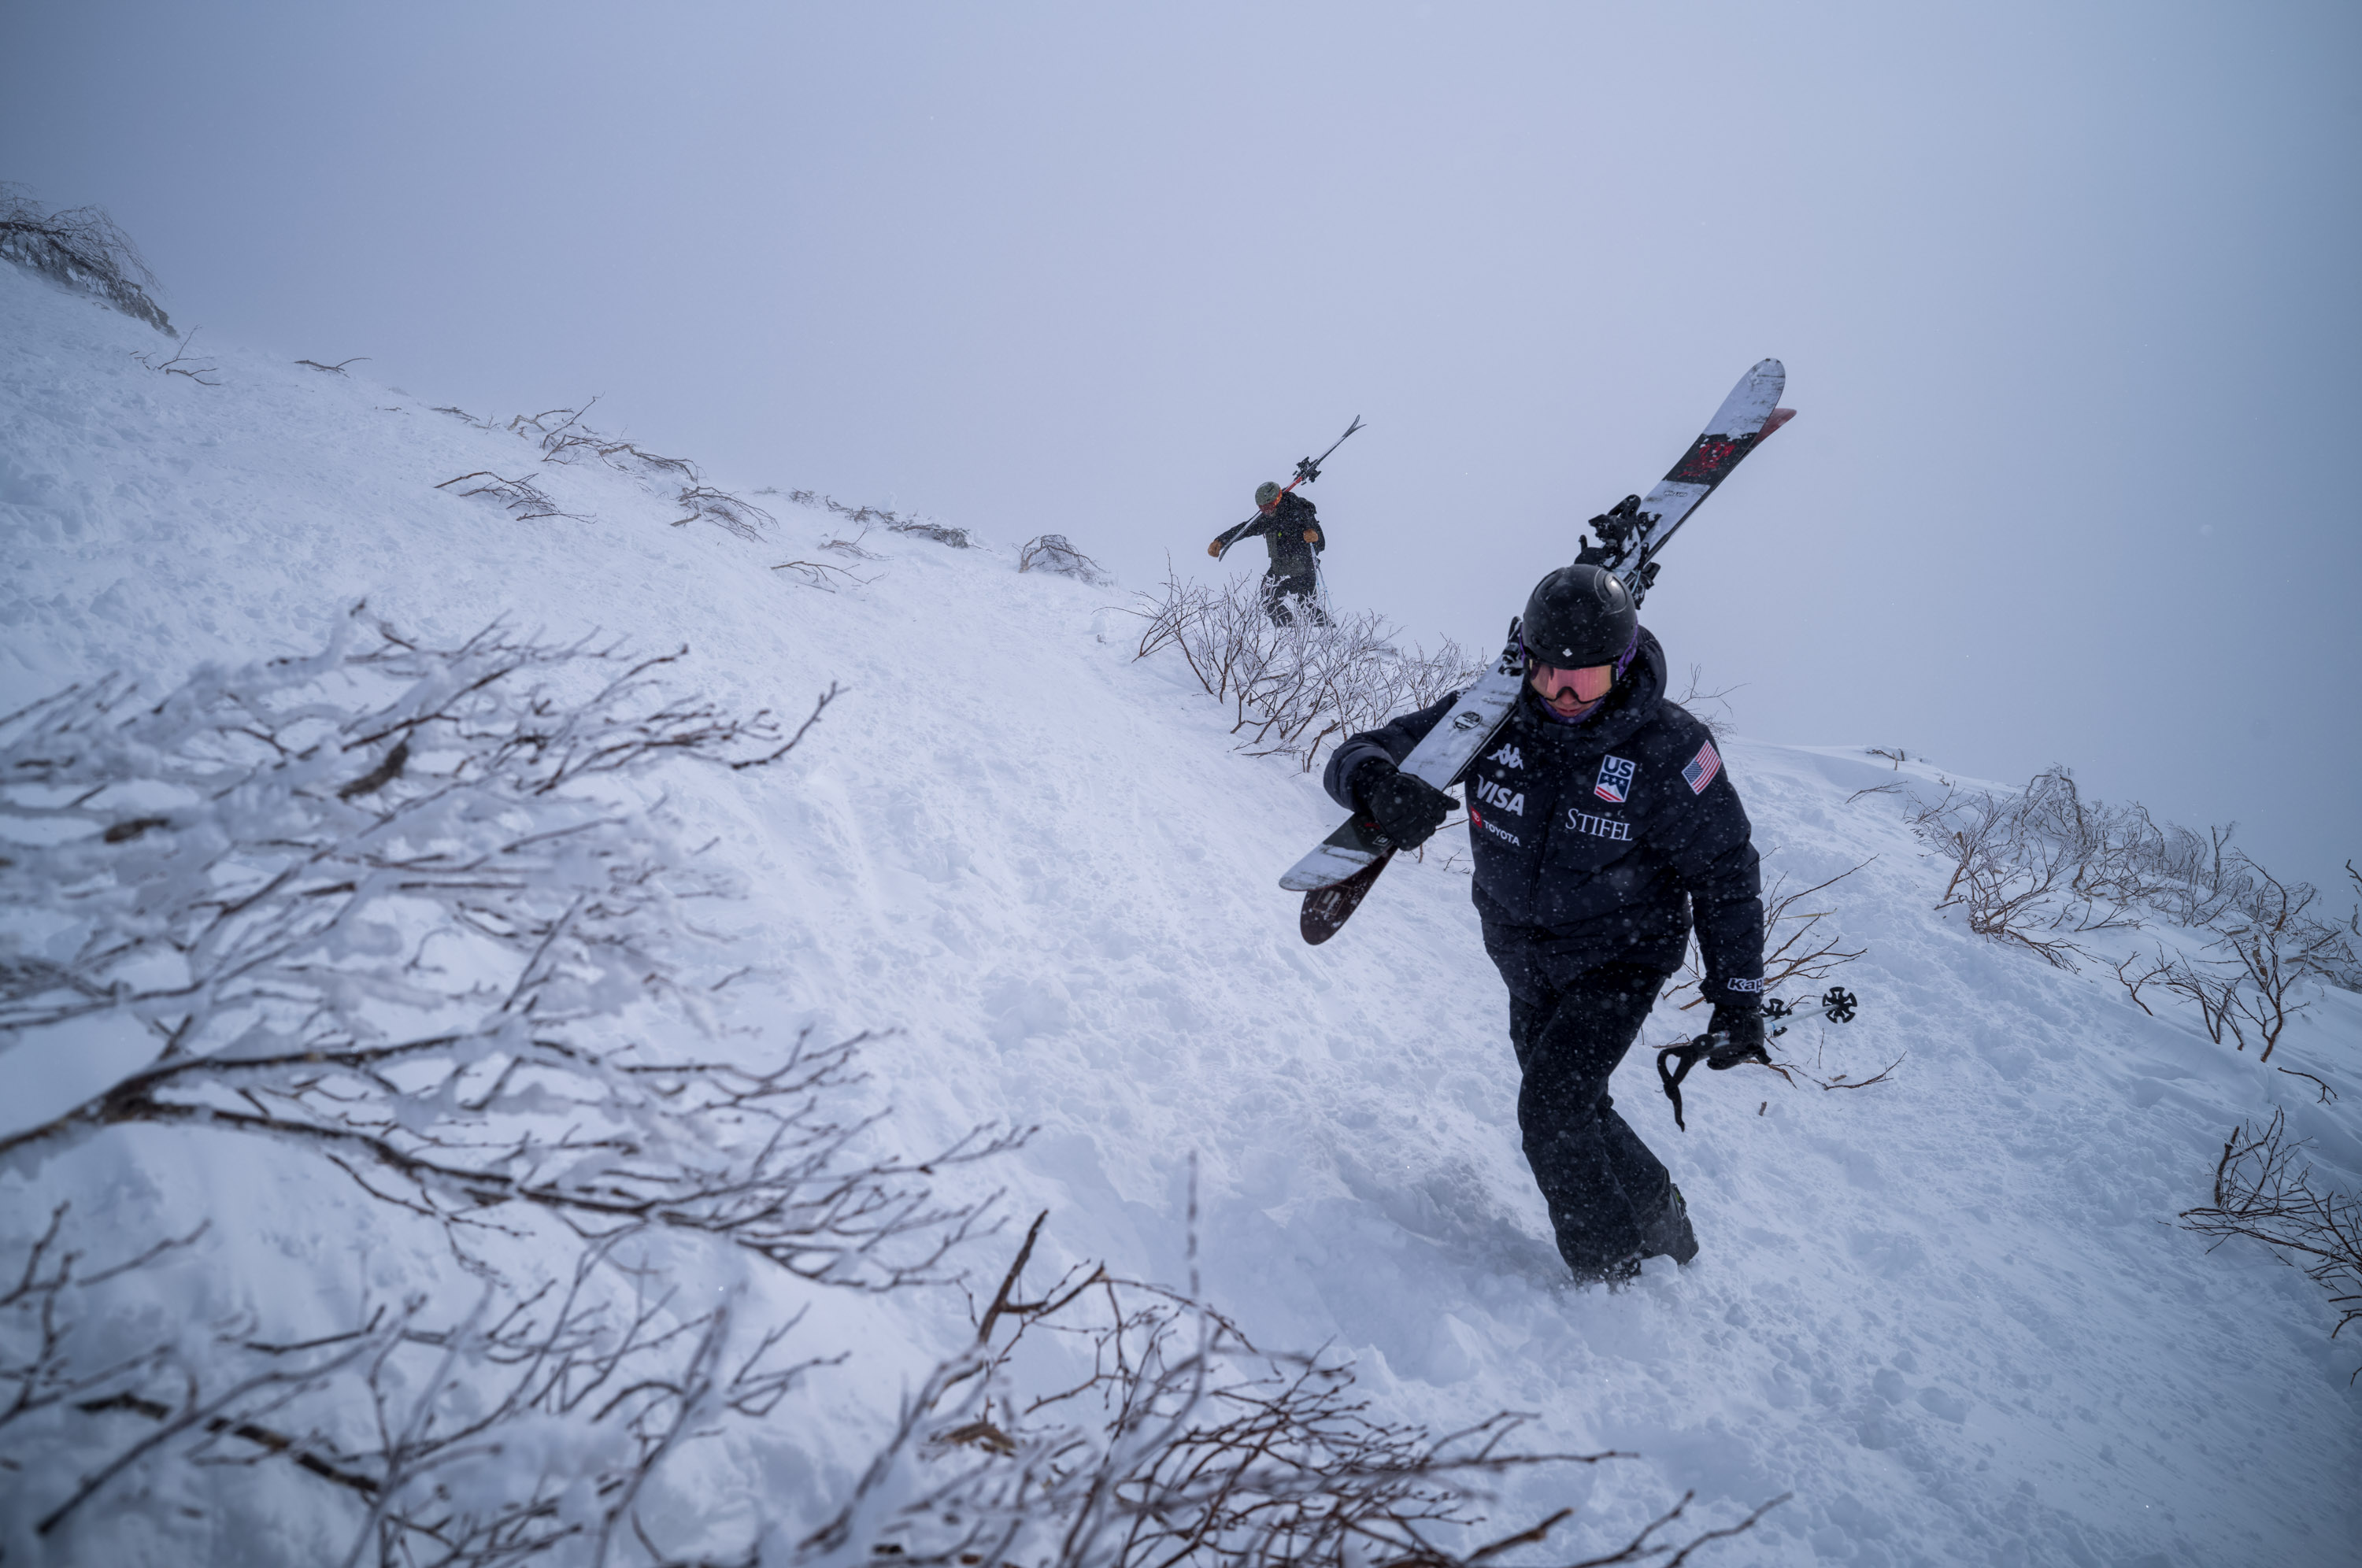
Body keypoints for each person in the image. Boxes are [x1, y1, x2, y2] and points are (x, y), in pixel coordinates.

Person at [1320, 563, 1766, 1285]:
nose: (1561, 689)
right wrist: (1380, 787)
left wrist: (1738, 993)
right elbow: (1358, 752)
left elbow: (1725, 873)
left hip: (1619, 959)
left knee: (1552, 1111)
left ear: (1621, 666)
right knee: (1577, 1104)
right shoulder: (1488, 717)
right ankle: (1667, 1228)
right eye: (1546, 669)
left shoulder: (1672, 748)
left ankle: (1613, 1279)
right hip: (1520, 954)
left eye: (1584, 676)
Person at [1209, 481, 1331, 627]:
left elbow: (1319, 542)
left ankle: (1330, 636)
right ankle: (1288, 632)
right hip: (1280, 567)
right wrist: (1221, 541)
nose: (1266, 511)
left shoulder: (1297, 510)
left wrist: (1313, 535)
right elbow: (1245, 528)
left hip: (1303, 566)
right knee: (1268, 600)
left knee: (1306, 605)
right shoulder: (1268, 519)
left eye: (1268, 507)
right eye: (1262, 508)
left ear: (1278, 499)